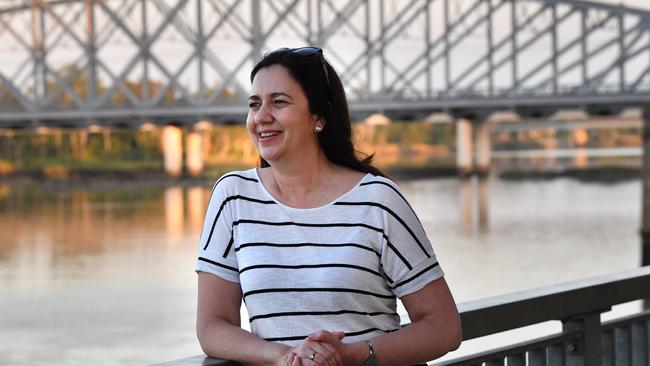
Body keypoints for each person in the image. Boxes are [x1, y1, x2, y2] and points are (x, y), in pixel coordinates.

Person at [196, 47, 462, 366]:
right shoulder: (233, 196)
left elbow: (444, 327)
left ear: (319, 117)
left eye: (278, 102)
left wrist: (352, 355)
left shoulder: (377, 200)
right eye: (254, 104)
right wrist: (285, 357)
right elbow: (212, 326)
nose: (261, 116)